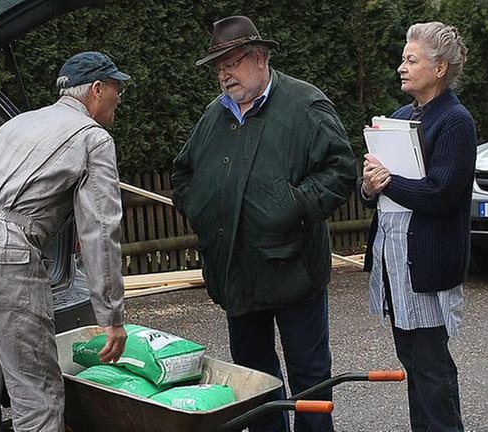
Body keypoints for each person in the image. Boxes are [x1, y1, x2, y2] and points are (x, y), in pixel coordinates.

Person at [172, 16, 357, 432]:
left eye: (231, 64)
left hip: (294, 268)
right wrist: (202, 208)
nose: (224, 75)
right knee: (254, 379)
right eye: (218, 68)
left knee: (310, 376)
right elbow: (182, 174)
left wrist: (291, 206)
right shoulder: (214, 116)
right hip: (238, 272)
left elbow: (341, 169)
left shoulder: (304, 105)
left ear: (259, 58)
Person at [0, 51, 129, 432]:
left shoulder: (15, 125)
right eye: (116, 89)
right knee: (35, 392)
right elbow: (100, 230)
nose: (118, 99)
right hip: (3, 254)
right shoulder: (92, 138)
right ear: (96, 89)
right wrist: (111, 316)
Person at [360, 22, 475, 431]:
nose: (401, 68)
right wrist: (370, 185)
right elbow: (376, 186)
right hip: (396, 262)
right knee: (413, 362)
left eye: (411, 60)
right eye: (402, 59)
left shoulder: (456, 122)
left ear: (440, 67)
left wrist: (389, 180)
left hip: (425, 261)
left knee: (431, 367)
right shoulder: (399, 118)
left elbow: (442, 194)